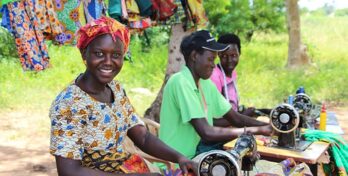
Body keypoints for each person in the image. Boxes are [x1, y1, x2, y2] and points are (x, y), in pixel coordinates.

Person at [49, 16, 196, 176]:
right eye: (99, 53)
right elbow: (69, 171)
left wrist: (179, 157)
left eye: (116, 55)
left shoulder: (115, 89)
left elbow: (143, 137)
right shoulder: (69, 104)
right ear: (85, 53)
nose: (108, 62)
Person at [158, 30, 273, 160]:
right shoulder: (180, 82)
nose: (214, 65)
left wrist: (270, 127)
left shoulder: (204, 84)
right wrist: (257, 131)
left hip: (197, 155)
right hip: (178, 163)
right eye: (210, 59)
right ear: (194, 56)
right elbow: (207, 132)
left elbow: (235, 118)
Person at [210, 33, 271, 117]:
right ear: (218, 55)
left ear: (239, 54)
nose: (229, 60)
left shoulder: (232, 73)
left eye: (233, 55)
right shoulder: (214, 76)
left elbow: (232, 107)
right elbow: (214, 117)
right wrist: (244, 115)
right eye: (224, 56)